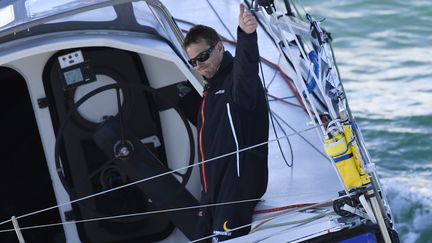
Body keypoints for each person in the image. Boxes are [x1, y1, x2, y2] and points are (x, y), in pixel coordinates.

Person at [183, 4, 269, 242]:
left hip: (237, 189)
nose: (199, 65)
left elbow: (247, 68)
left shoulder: (236, 82)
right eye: (193, 62)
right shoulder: (211, 88)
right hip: (212, 191)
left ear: (219, 47)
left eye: (202, 57)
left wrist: (246, 36)